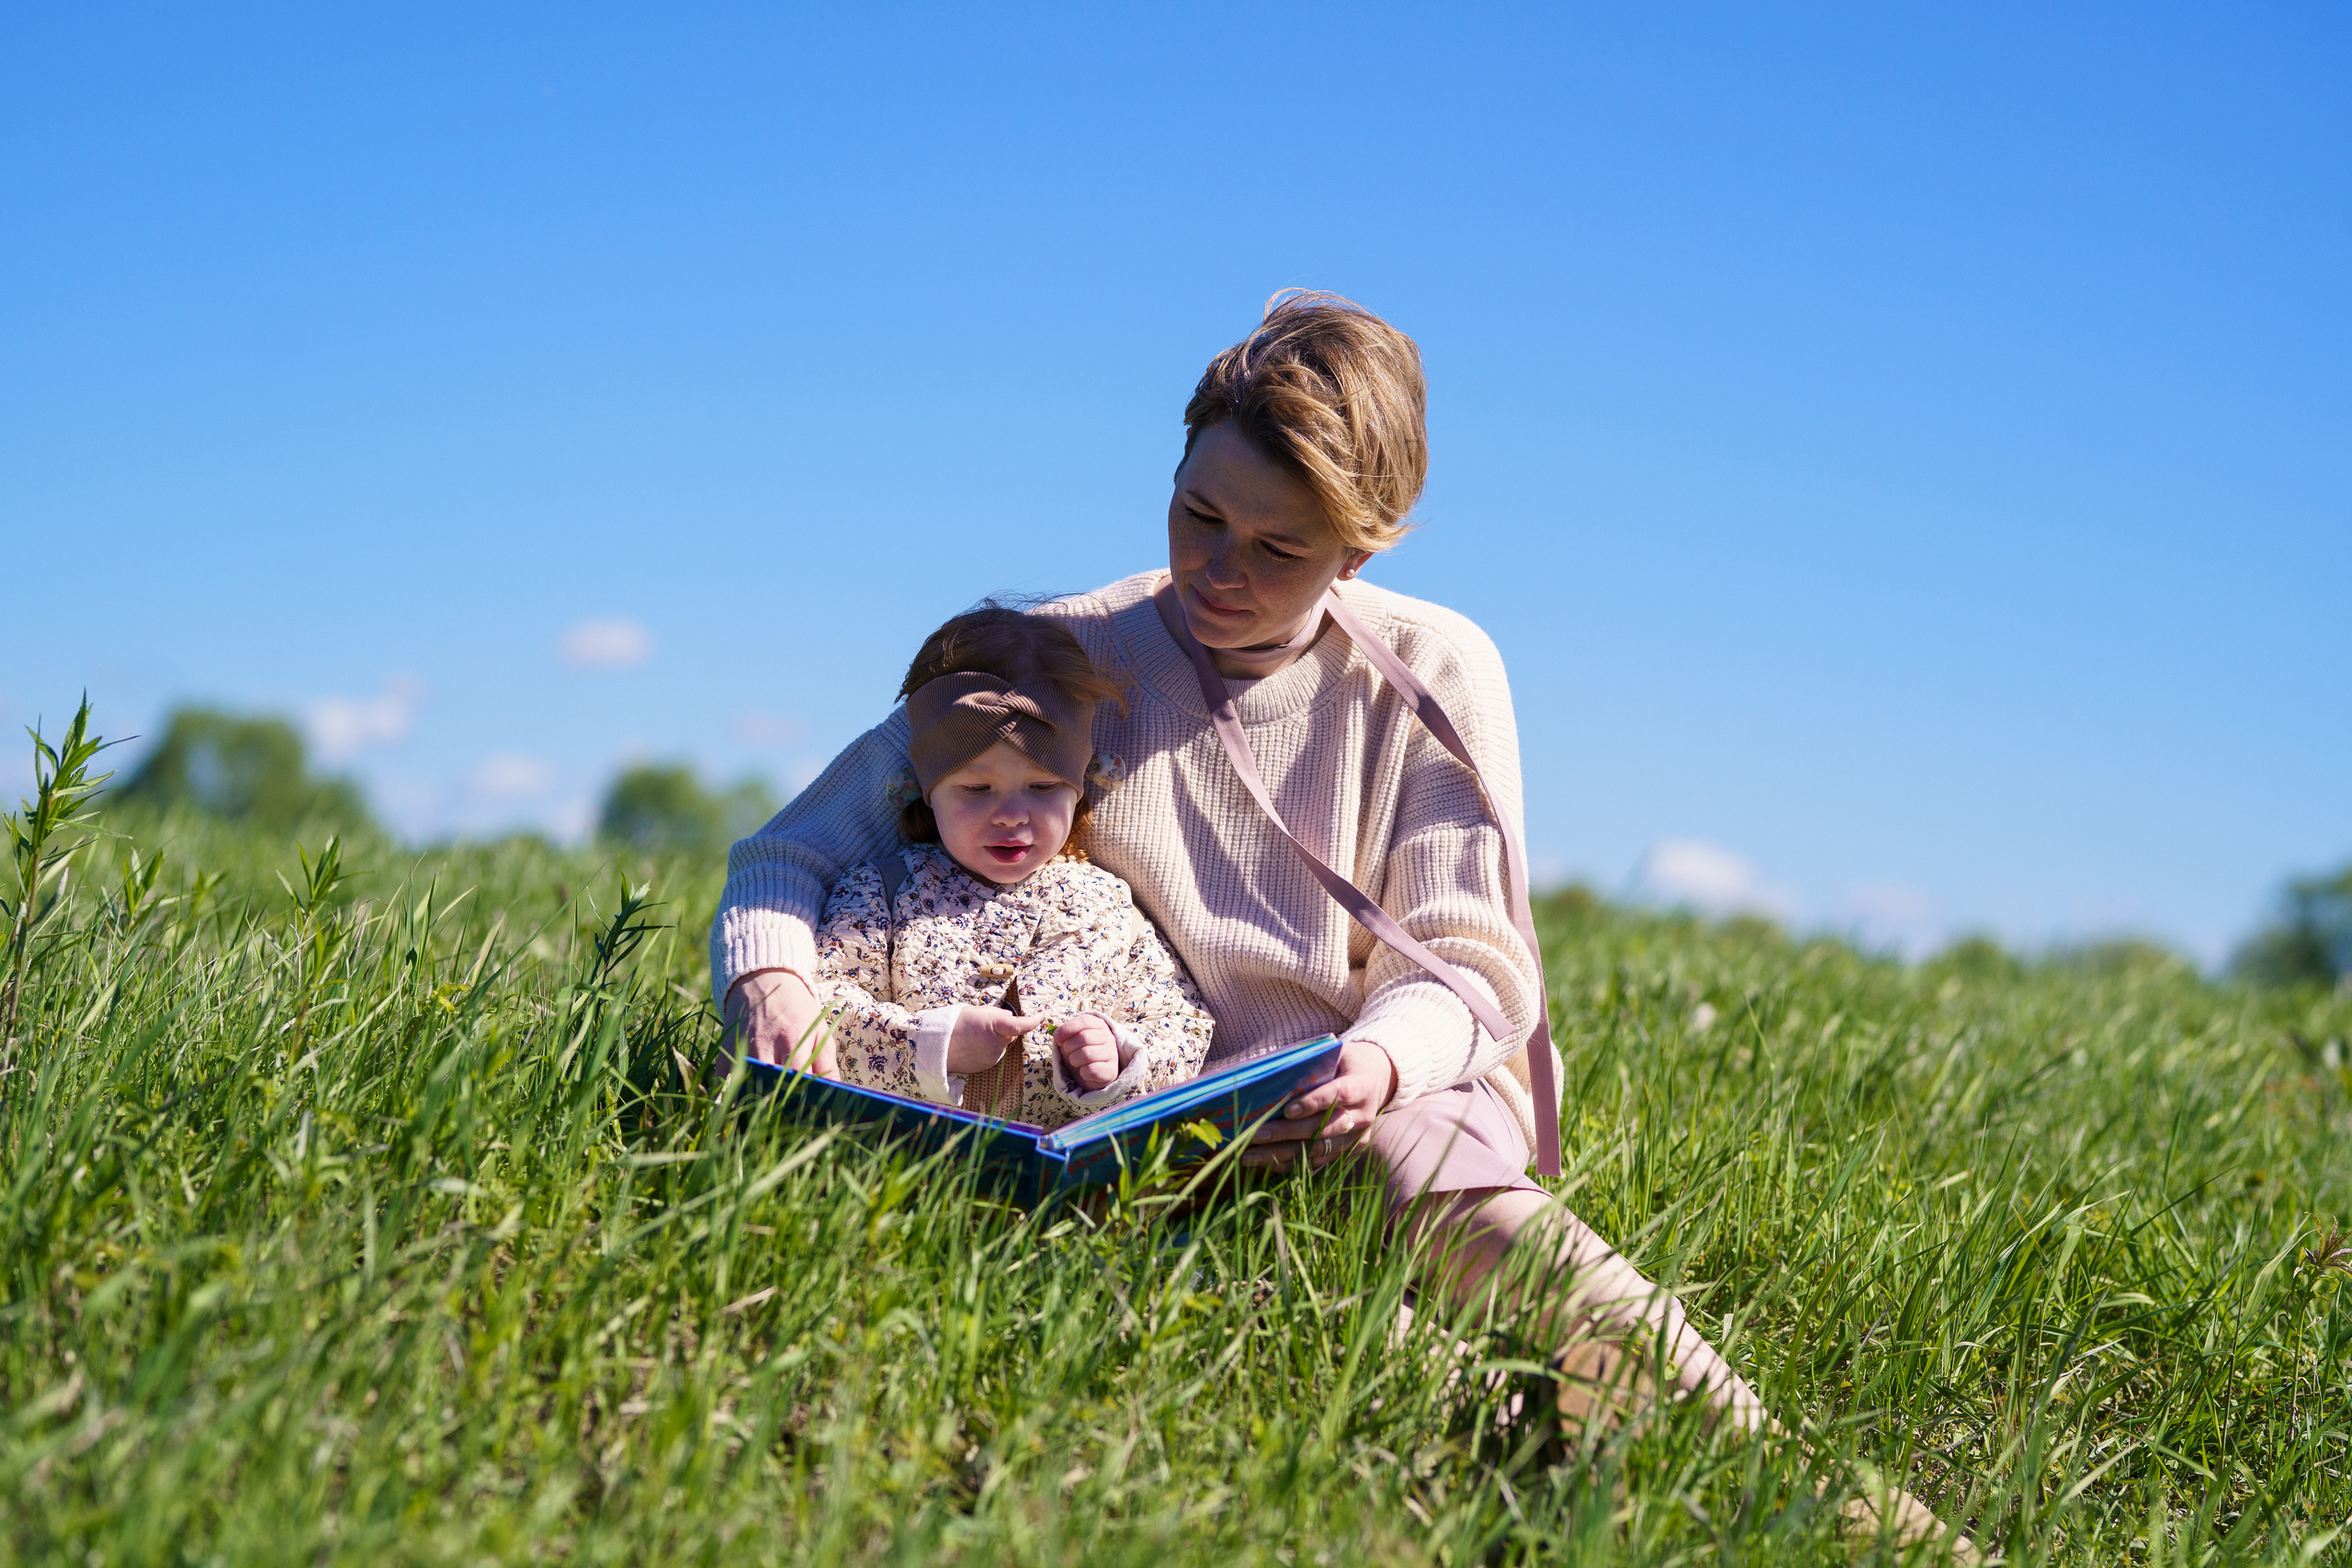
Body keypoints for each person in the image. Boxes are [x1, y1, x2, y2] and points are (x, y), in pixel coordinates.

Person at [714, 292, 1971, 1557]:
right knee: (1267, 1317)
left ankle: (1799, 1491)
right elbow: (795, 847)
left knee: (1425, 1169)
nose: (1218, 570)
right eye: (1198, 515)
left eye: (1277, 547)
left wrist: (1373, 1062)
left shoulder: (1435, 669)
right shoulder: (1068, 659)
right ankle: (1532, 1442)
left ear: (1363, 549)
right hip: (1172, 1114)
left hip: (1388, 1078)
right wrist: (773, 977)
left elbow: (1472, 963)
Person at [800, 605, 1215, 1127]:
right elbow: (819, 1008)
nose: (1012, 815)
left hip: (1061, 1186)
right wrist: (936, 1044)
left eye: (1043, 787)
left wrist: (1119, 1056)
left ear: (1082, 786)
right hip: (895, 1165)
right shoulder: (880, 893)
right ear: (925, 791)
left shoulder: (1108, 907)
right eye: (977, 789)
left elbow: (1184, 1024)